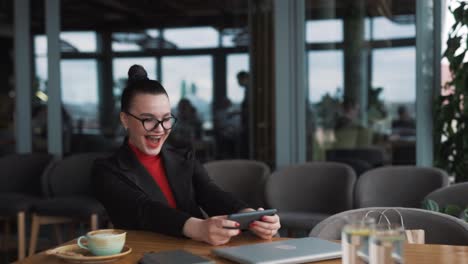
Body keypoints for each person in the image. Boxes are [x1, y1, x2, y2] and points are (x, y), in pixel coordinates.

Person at [92, 65, 280, 246]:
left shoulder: (183, 157)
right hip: (145, 253)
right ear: (125, 119)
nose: (160, 129)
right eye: (148, 119)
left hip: (195, 252)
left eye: (166, 119)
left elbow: (211, 194)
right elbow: (143, 210)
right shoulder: (105, 170)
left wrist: (250, 216)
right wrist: (198, 228)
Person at [236, 71, 250, 157]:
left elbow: (249, 109)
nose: (238, 82)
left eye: (238, 80)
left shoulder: (250, 91)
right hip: (246, 123)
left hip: (248, 124)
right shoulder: (247, 91)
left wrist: (236, 113)